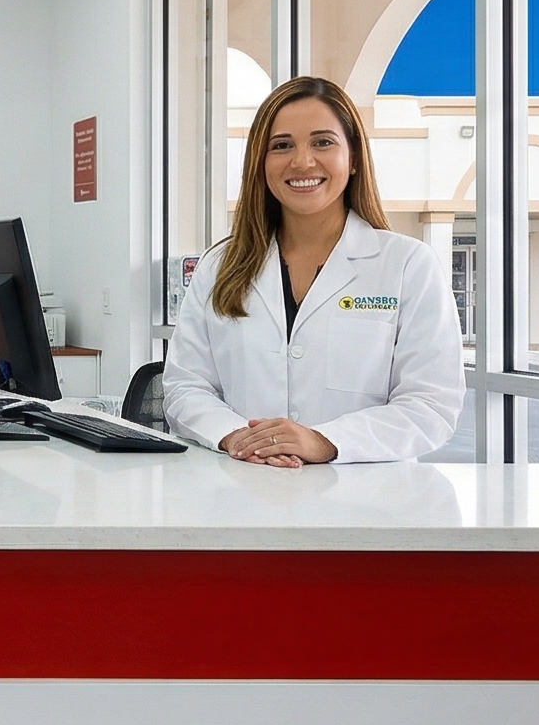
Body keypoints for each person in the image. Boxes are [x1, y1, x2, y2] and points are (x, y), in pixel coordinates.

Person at [163, 76, 464, 466]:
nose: (302, 161)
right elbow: (185, 386)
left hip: (369, 501)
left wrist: (324, 441)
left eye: (323, 142)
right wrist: (239, 437)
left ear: (353, 158)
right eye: (282, 145)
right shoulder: (220, 266)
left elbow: (431, 404)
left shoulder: (408, 265)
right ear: (261, 162)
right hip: (246, 490)